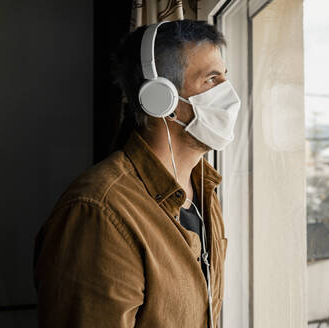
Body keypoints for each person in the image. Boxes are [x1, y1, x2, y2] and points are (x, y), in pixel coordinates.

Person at [33, 19, 240, 328]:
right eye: (212, 79)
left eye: (225, 77)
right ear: (161, 99)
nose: (230, 94)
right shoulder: (97, 213)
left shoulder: (204, 189)